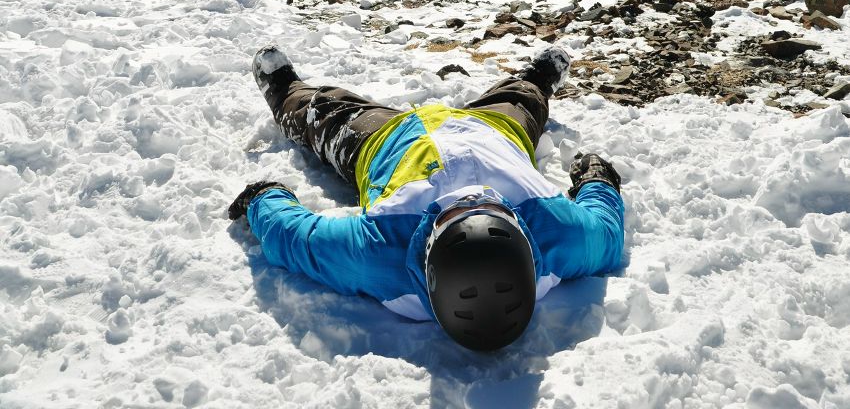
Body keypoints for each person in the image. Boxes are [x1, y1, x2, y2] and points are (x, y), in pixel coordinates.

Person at [228, 45, 624, 352]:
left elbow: (296, 239)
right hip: (492, 131)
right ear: (523, 237)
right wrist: (596, 178)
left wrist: (265, 198)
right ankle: (539, 79)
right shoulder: (557, 232)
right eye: (489, 205)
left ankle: (284, 90)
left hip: (386, 140)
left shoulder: (381, 252)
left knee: (324, 114)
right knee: (523, 102)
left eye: (454, 212)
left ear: (428, 248)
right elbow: (605, 229)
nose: (469, 197)